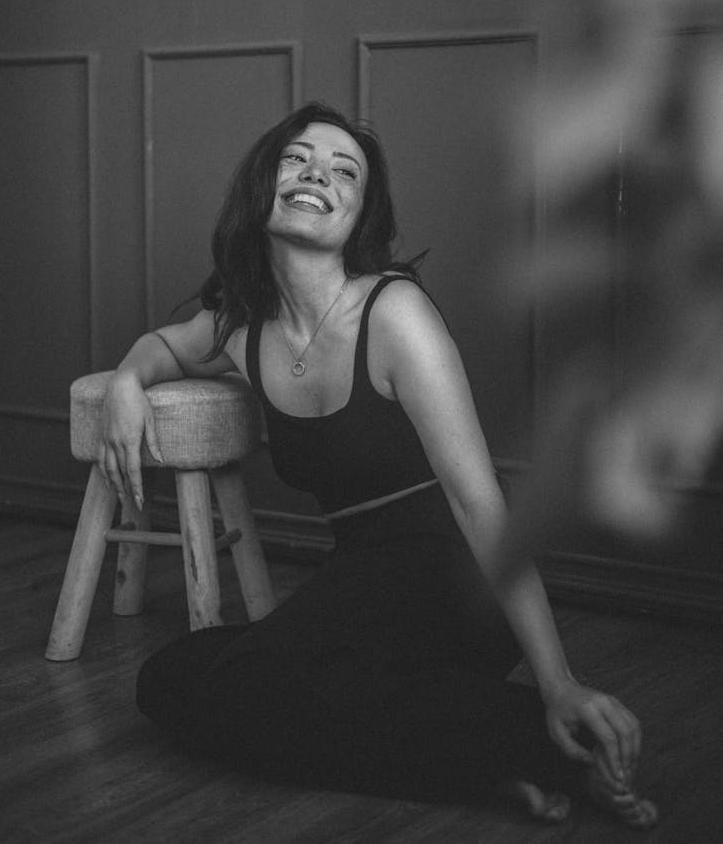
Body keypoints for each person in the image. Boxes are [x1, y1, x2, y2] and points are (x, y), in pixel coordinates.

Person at [99, 102, 657, 828]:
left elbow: (479, 502)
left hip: (457, 574)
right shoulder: (244, 321)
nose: (316, 175)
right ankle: (472, 763)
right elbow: (166, 345)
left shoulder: (394, 315)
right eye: (298, 159)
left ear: (358, 215)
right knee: (168, 677)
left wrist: (558, 681)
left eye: (344, 171)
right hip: (364, 574)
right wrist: (123, 382)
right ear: (264, 181)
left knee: (247, 684)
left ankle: (547, 746)